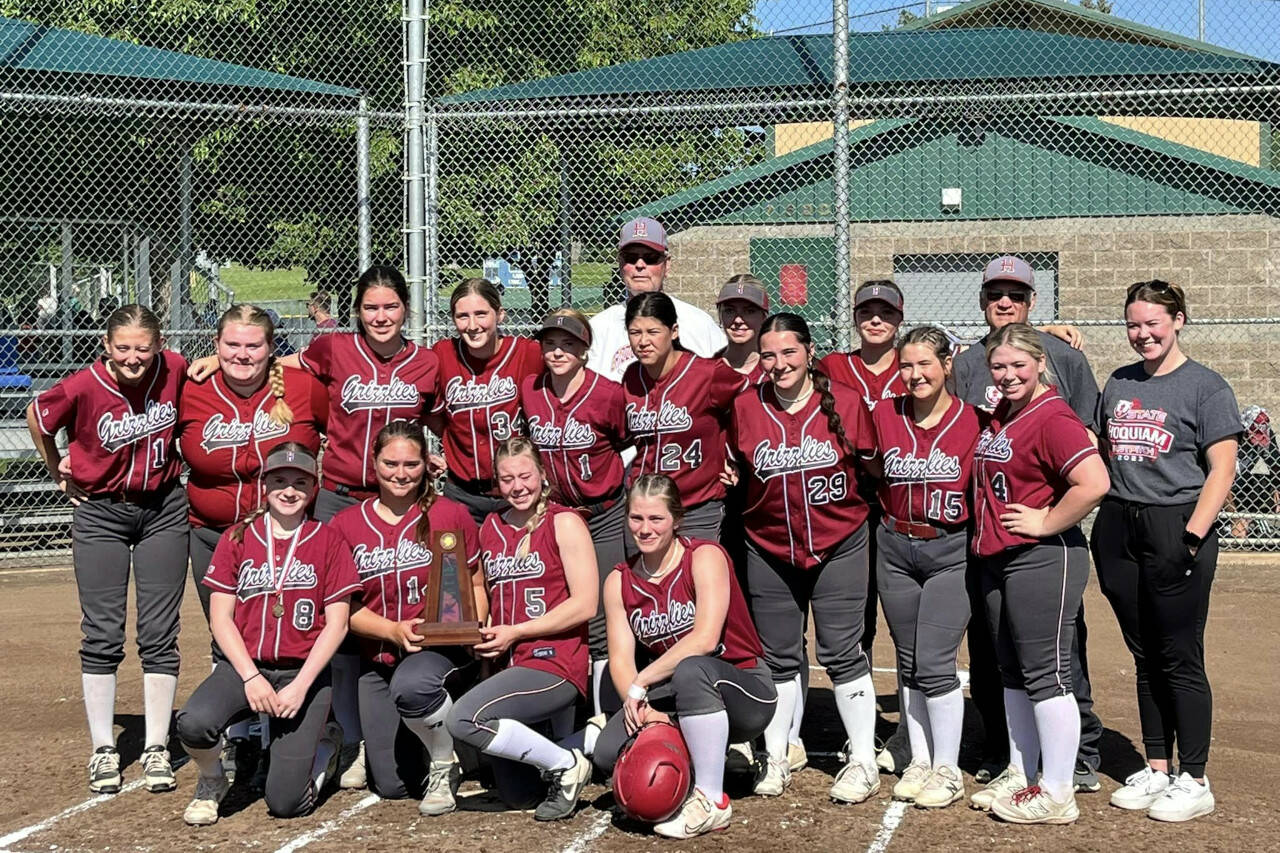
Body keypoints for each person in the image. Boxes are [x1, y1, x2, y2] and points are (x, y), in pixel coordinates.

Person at [191, 266, 439, 790]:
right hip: (341, 499)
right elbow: (279, 362)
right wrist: (219, 360)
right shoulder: (333, 348)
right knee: (339, 620)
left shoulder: (426, 362)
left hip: (399, 497)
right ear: (357, 311)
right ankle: (345, 733)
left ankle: (409, 725)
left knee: (399, 604)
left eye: (391, 306)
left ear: (406, 309)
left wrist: (431, 455)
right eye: (370, 307)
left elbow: (437, 418)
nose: (381, 316)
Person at [950, 256, 1104, 791]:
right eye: (995, 293)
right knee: (995, 653)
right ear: (982, 300)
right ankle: (1009, 754)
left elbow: (1085, 451)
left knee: (1056, 654)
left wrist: (1049, 519)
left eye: (1016, 293)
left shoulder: (1063, 358)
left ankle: (1077, 756)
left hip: (1040, 546)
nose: (1005, 301)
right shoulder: (967, 363)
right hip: (987, 539)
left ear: (1032, 301)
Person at [1091, 281, 1239, 822]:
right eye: (1133, 325)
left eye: (1153, 323)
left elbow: (1222, 469)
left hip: (1176, 524)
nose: (1142, 334)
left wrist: (1192, 537)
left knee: (1179, 654)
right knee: (1144, 653)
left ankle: (1194, 778)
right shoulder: (1119, 381)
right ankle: (1157, 766)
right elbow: (1102, 449)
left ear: (1178, 320)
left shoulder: (1205, 387)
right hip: (1119, 524)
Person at [26, 304, 188, 796]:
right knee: (102, 631)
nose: (133, 358)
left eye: (143, 348)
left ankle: (156, 745)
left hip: (163, 508)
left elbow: (203, 370)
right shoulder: (83, 384)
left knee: (159, 631)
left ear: (159, 345)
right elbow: (37, 415)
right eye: (123, 348)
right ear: (105, 345)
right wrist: (56, 466)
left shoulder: (174, 369)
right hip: (100, 513)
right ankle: (103, 748)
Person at [726, 313, 882, 804]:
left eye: (789, 352)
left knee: (841, 651)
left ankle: (863, 759)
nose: (779, 363)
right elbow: (735, 468)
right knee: (777, 655)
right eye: (768, 355)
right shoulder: (746, 406)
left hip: (840, 541)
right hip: (769, 545)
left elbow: (873, 469)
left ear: (810, 352)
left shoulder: (846, 403)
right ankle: (776, 755)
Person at [178, 304, 328, 779]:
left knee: (294, 632)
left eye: (253, 345)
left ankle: (301, 724)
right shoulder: (193, 388)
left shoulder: (302, 388)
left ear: (271, 348)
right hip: (214, 533)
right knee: (226, 635)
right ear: (216, 345)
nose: (242, 354)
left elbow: (342, 435)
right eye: (231, 345)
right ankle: (240, 734)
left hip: (291, 537)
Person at [175, 444, 359, 825]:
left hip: (301, 673)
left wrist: (301, 685)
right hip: (245, 668)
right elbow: (220, 619)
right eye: (279, 481)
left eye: (300, 483)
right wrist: (250, 676)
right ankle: (212, 779)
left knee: (286, 803)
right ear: (264, 485)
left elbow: (338, 624)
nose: (289, 491)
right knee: (193, 723)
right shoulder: (237, 538)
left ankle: (326, 745)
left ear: (314, 488)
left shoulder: (329, 540)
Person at [592, 474, 776, 839]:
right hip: (678, 690)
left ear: (676, 519)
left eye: (656, 519)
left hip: (744, 688)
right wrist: (646, 714)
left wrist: (643, 682)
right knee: (608, 752)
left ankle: (712, 801)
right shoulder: (619, 580)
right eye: (636, 518)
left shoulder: (704, 556)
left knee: (692, 669)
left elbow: (705, 639)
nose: (645, 529)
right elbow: (621, 660)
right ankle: (705, 756)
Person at [332, 421, 487, 815]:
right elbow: (342, 608)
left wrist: (472, 632)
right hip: (379, 656)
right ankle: (450, 740)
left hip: (438, 653)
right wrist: (391, 630)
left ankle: (445, 762)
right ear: (373, 463)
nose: (400, 474)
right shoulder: (346, 524)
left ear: (426, 465)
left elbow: (475, 583)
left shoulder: (450, 513)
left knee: (414, 684)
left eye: (411, 464)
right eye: (390, 463)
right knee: (393, 784)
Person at [446, 437, 598, 821]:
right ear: (497, 483)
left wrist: (517, 632)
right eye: (507, 479)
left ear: (542, 474)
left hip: (553, 663)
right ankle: (581, 744)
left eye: (525, 476)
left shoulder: (564, 521)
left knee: (463, 718)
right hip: (508, 666)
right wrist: (478, 636)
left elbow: (585, 604)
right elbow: (485, 595)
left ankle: (566, 764)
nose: (518, 486)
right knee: (520, 796)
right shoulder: (491, 525)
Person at [870, 326, 982, 808]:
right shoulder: (885, 414)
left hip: (949, 549)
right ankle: (919, 757)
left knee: (935, 660)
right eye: (906, 366)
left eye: (925, 364)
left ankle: (947, 768)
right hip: (895, 546)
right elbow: (868, 465)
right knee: (908, 659)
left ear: (947, 364)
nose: (915, 375)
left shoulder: (973, 420)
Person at [817, 280, 909, 772]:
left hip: (900, 500)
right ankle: (864, 722)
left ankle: (912, 728)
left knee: (903, 616)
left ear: (899, 318)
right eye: (867, 311)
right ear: (854, 317)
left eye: (885, 312)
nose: (876, 320)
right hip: (847, 502)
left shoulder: (913, 364)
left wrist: (1048, 329)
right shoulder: (833, 366)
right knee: (858, 619)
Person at [521, 309, 630, 716]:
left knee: (601, 615)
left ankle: (604, 716)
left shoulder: (608, 393)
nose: (557, 352)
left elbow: (625, 440)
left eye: (568, 344)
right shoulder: (532, 391)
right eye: (550, 343)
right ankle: (562, 708)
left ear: (585, 350)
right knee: (559, 609)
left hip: (604, 515)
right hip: (557, 517)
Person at [621, 292, 747, 540]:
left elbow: (752, 408)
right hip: (643, 506)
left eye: (653, 332)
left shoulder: (707, 373)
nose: (643, 341)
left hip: (696, 505)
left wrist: (734, 456)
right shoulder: (632, 376)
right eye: (635, 332)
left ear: (674, 331)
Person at [428, 278, 543, 524]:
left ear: (499, 314)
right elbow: (423, 409)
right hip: (462, 491)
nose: (472, 325)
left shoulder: (527, 353)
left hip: (518, 491)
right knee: (452, 549)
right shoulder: (443, 354)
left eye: (481, 314)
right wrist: (447, 441)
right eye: (462, 316)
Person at [586, 217, 726, 381]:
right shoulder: (598, 328)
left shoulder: (698, 323)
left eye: (650, 258)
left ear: (667, 265)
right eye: (631, 257)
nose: (640, 265)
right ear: (620, 264)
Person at [713, 274, 769, 383]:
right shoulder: (706, 370)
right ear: (720, 315)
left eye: (749, 311)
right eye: (730, 311)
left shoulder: (776, 371)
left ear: (764, 317)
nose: (738, 320)